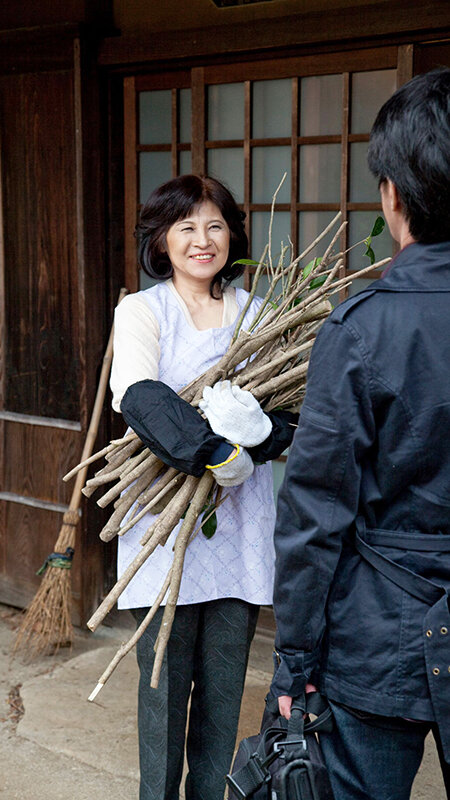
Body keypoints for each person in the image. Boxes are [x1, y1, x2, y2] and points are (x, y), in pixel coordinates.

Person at [269, 68, 450, 800]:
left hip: (380, 634)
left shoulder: (363, 328)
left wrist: (294, 659)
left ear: (392, 195)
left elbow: (315, 511)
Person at [109, 174, 297, 800]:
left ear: (233, 234)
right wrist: (215, 452)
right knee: (161, 692)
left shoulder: (259, 317)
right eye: (185, 226)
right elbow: (139, 395)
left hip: (238, 523)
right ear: (161, 240)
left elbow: (289, 408)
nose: (202, 240)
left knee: (224, 690)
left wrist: (256, 446)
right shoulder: (142, 310)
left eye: (215, 225)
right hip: (163, 531)